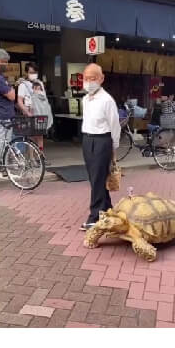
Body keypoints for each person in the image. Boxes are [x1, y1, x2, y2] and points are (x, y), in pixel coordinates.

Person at [80, 63, 121, 231]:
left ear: (101, 79)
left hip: (102, 141)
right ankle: (107, 210)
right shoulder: (85, 99)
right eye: (86, 78)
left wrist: (113, 148)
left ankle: (94, 216)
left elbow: (115, 126)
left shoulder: (107, 100)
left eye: (93, 78)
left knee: (98, 179)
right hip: (87, 139)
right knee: (94, 179)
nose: (89, 81)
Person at [0, 48, 16, 179]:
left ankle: (2, 165)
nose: (6, 65)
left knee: (5, 141)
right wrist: (12, 89)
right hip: (3, 115)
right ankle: (1, 167)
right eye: (4, 62)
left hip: (3, 113)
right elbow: (12, 96)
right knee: (4, 141)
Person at [16, 62, 47, 152]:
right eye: (31, 72)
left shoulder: (40, 83)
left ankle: (40, 157)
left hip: (39, 112)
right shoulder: (23, 85)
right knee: (31, 137)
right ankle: (31, 159)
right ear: (26, 73)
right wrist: (27, 112)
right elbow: (19, 101)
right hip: (29, 112)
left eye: (34, 72)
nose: (33, 74)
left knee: (40, 136)